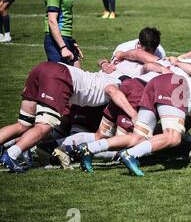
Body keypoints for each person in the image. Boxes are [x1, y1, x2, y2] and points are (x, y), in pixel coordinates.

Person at [0, 62, 136, 173]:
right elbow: (112, 91)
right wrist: (133, 114)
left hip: (43, 68)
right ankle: (11, 154)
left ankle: (12, 147)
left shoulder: (103, 77)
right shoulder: (117, 84)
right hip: (59, 76)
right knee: (44, 127)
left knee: (24, 124)